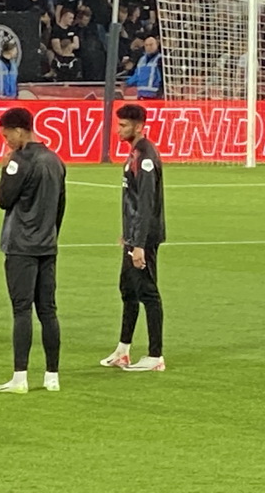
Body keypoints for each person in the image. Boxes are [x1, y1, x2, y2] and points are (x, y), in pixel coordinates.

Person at [0, 107, 66, 394]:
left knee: (21, 310)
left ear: (20, 130)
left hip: (21, 246)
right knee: (48, 310)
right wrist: (49, 235)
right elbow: (61, 207)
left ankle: (20, 377)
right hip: (47, 245)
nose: (5, 141)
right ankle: (52, 376)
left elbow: (3, 199)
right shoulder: (56, 161)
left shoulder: (18, 161)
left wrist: (6, 166)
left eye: (6, 135)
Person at [101, 103, 166, 372]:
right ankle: (123, 350)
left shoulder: (145, 156)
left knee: (148, 292)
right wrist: (127, 235)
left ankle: (155, 356)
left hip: (144, 239)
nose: (119, 130)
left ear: (138, 127)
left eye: (123, 125)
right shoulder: (134, 153)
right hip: (133, 237)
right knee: (128, 290)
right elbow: (134, 201)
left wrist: (139, 243)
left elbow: (147, 203)